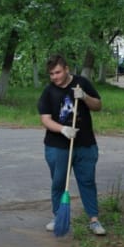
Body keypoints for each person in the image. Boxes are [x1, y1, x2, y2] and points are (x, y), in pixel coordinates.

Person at [37, 54, 106, 235]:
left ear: (67, 69)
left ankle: (94, 220)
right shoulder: (48, 92)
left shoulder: (81, 83)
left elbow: (98, 105)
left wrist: (84, 97)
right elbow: (45, 119)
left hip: (85, 144)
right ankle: (59, 217)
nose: (55, 77)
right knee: (59, 183)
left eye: (58, 72)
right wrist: (63, 129)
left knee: (87, 181)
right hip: (57, 146)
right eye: (51, 74)